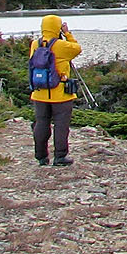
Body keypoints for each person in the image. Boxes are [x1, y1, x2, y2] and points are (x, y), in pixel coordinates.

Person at [31, 15, 82, 166]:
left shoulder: (35, 44)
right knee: (61, 125)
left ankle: (41, 157)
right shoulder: (61, 45)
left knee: (41, 123)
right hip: (60, 94)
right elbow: (77, 49)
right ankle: (60, 156)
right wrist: (67, 33)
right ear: (57, 28)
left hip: (39, 92)